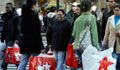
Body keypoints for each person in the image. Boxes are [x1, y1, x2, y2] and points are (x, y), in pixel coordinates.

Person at [72, 1, 100, 70]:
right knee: (88, 67)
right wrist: (97, 47)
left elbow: (73, 34)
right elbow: (94, 34)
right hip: (88, 47)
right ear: (89, 8)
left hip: (78, 47)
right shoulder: (92, 17)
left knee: (81, 66)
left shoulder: (77, 19)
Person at [18, 0, 44, 70]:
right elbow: (37, 33)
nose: (37, 6)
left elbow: (22, 30)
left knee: (22, 63)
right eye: (36, 5)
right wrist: (41, 46)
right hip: (34, 44)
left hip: (25, 43)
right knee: (36, 63)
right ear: (33, 6)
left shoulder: (24, 15)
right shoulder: (34, 16)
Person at [0, 3, 21, 70]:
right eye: (6, 7)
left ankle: (4, 65)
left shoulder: (15, 16)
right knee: (11, 54)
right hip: (7, 38)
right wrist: (2, 38)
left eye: (8, 7)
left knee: (9, 53)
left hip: (12, 39)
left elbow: (18, 28)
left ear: (11, 8)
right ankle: (19, 66)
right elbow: (4, 28)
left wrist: (17, 39)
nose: (6, 9)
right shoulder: (6, 16)